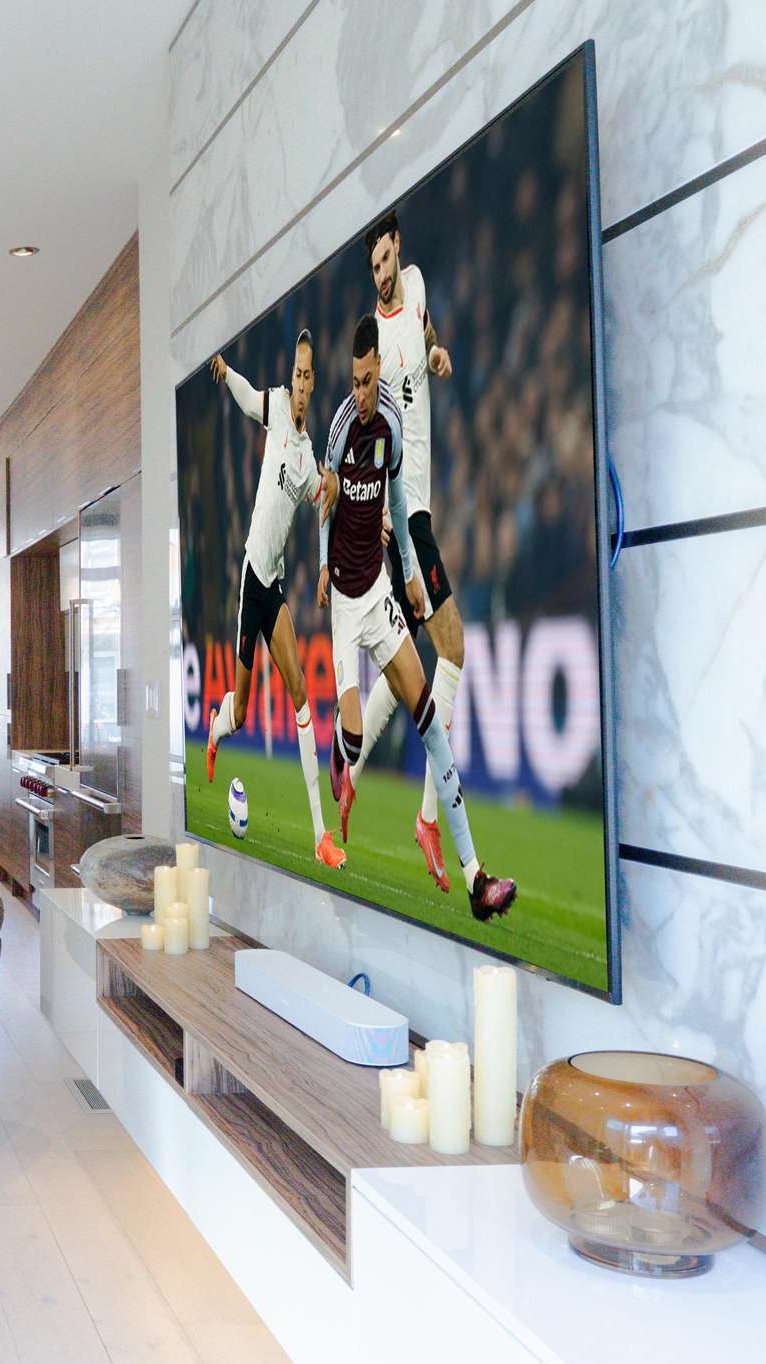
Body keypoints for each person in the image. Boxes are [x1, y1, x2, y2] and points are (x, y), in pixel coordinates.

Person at [320, 313, 516, 922]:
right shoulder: (341, 428)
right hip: (345, 604)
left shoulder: (391, 424)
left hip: (380, 593)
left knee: (430, 719)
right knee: (355, 739)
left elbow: (400, 498)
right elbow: (326, 501)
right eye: (353, 382)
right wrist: (322, 565)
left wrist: (407, 568)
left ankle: (476, 877)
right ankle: (340, 746)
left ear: (378, 369)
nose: (359, 393)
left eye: (366, 380)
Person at [341, 209, 471, 891]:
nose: (383, 275)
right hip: (407, 515)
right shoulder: (376, 348)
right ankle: (428, 818)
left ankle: (350, 770)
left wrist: (438, 351)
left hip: (422, 504)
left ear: (400, 254)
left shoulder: (416, 286)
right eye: (374, 267)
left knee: (408, 670)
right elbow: (369, 436)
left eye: (387, 260)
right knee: (452, 650)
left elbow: (427, 333)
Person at [203, 331, 344, 868]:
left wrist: (336, 489)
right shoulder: (278, 408)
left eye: (308, 376)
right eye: (297, 373)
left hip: (276, 585)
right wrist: (225, 373)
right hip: (252, 580)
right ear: (292, 378)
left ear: (315, 384)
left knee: (301, 695)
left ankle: (320, 835)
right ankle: (217, 727)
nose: (301, 384)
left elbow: (323, 507)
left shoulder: (308, 457)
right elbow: (246, 398)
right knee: (240, 714)